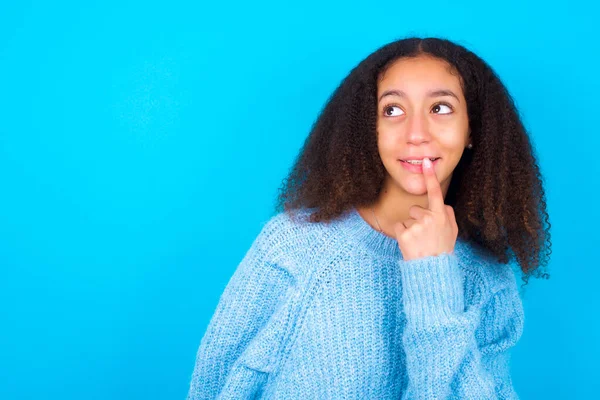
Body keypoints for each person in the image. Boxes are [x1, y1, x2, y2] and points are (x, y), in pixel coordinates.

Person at [186, 36, 552, 399]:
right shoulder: (294, 245)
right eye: (393, 110)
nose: (416, 134)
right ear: (369, 129)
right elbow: (214, 379)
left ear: (472, 129)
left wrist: (433, 276)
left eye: (440, 108)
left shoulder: (488, 281)